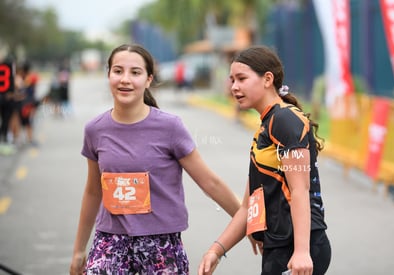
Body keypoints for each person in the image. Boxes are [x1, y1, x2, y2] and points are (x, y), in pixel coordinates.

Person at [69, 43, 241, 275]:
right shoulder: (95, 130)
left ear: (149, 79)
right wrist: (79, 251)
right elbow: (92, 191)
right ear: (108, 74)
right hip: (110, 243)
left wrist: (249, 225)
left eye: (135, 72)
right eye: (118, 71)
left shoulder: (170, 127)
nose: (125, 79)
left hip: (162, 247)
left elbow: (210, 183)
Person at [198, 46, 331, 275]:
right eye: (232, 80)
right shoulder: (267, 125)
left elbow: (300, 190)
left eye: (242, 78)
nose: (234, 87)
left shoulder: (285, 120)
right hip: (277, 246)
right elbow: (249, 206)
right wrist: (216, 250)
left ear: (267, 79)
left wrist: (301, 252)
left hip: (298, 250)